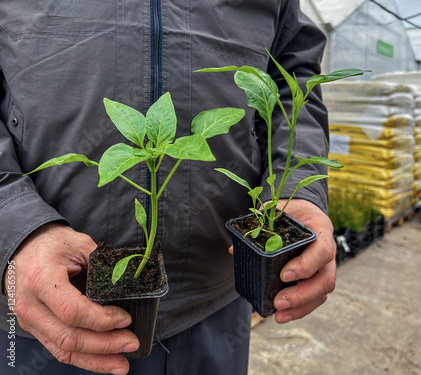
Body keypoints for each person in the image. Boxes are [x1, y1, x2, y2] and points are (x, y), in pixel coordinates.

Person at [0, 1, 336, 374]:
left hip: (216, 297)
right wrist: (13, 221)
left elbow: (293, 73)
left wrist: (296, 190)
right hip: (51, 303)